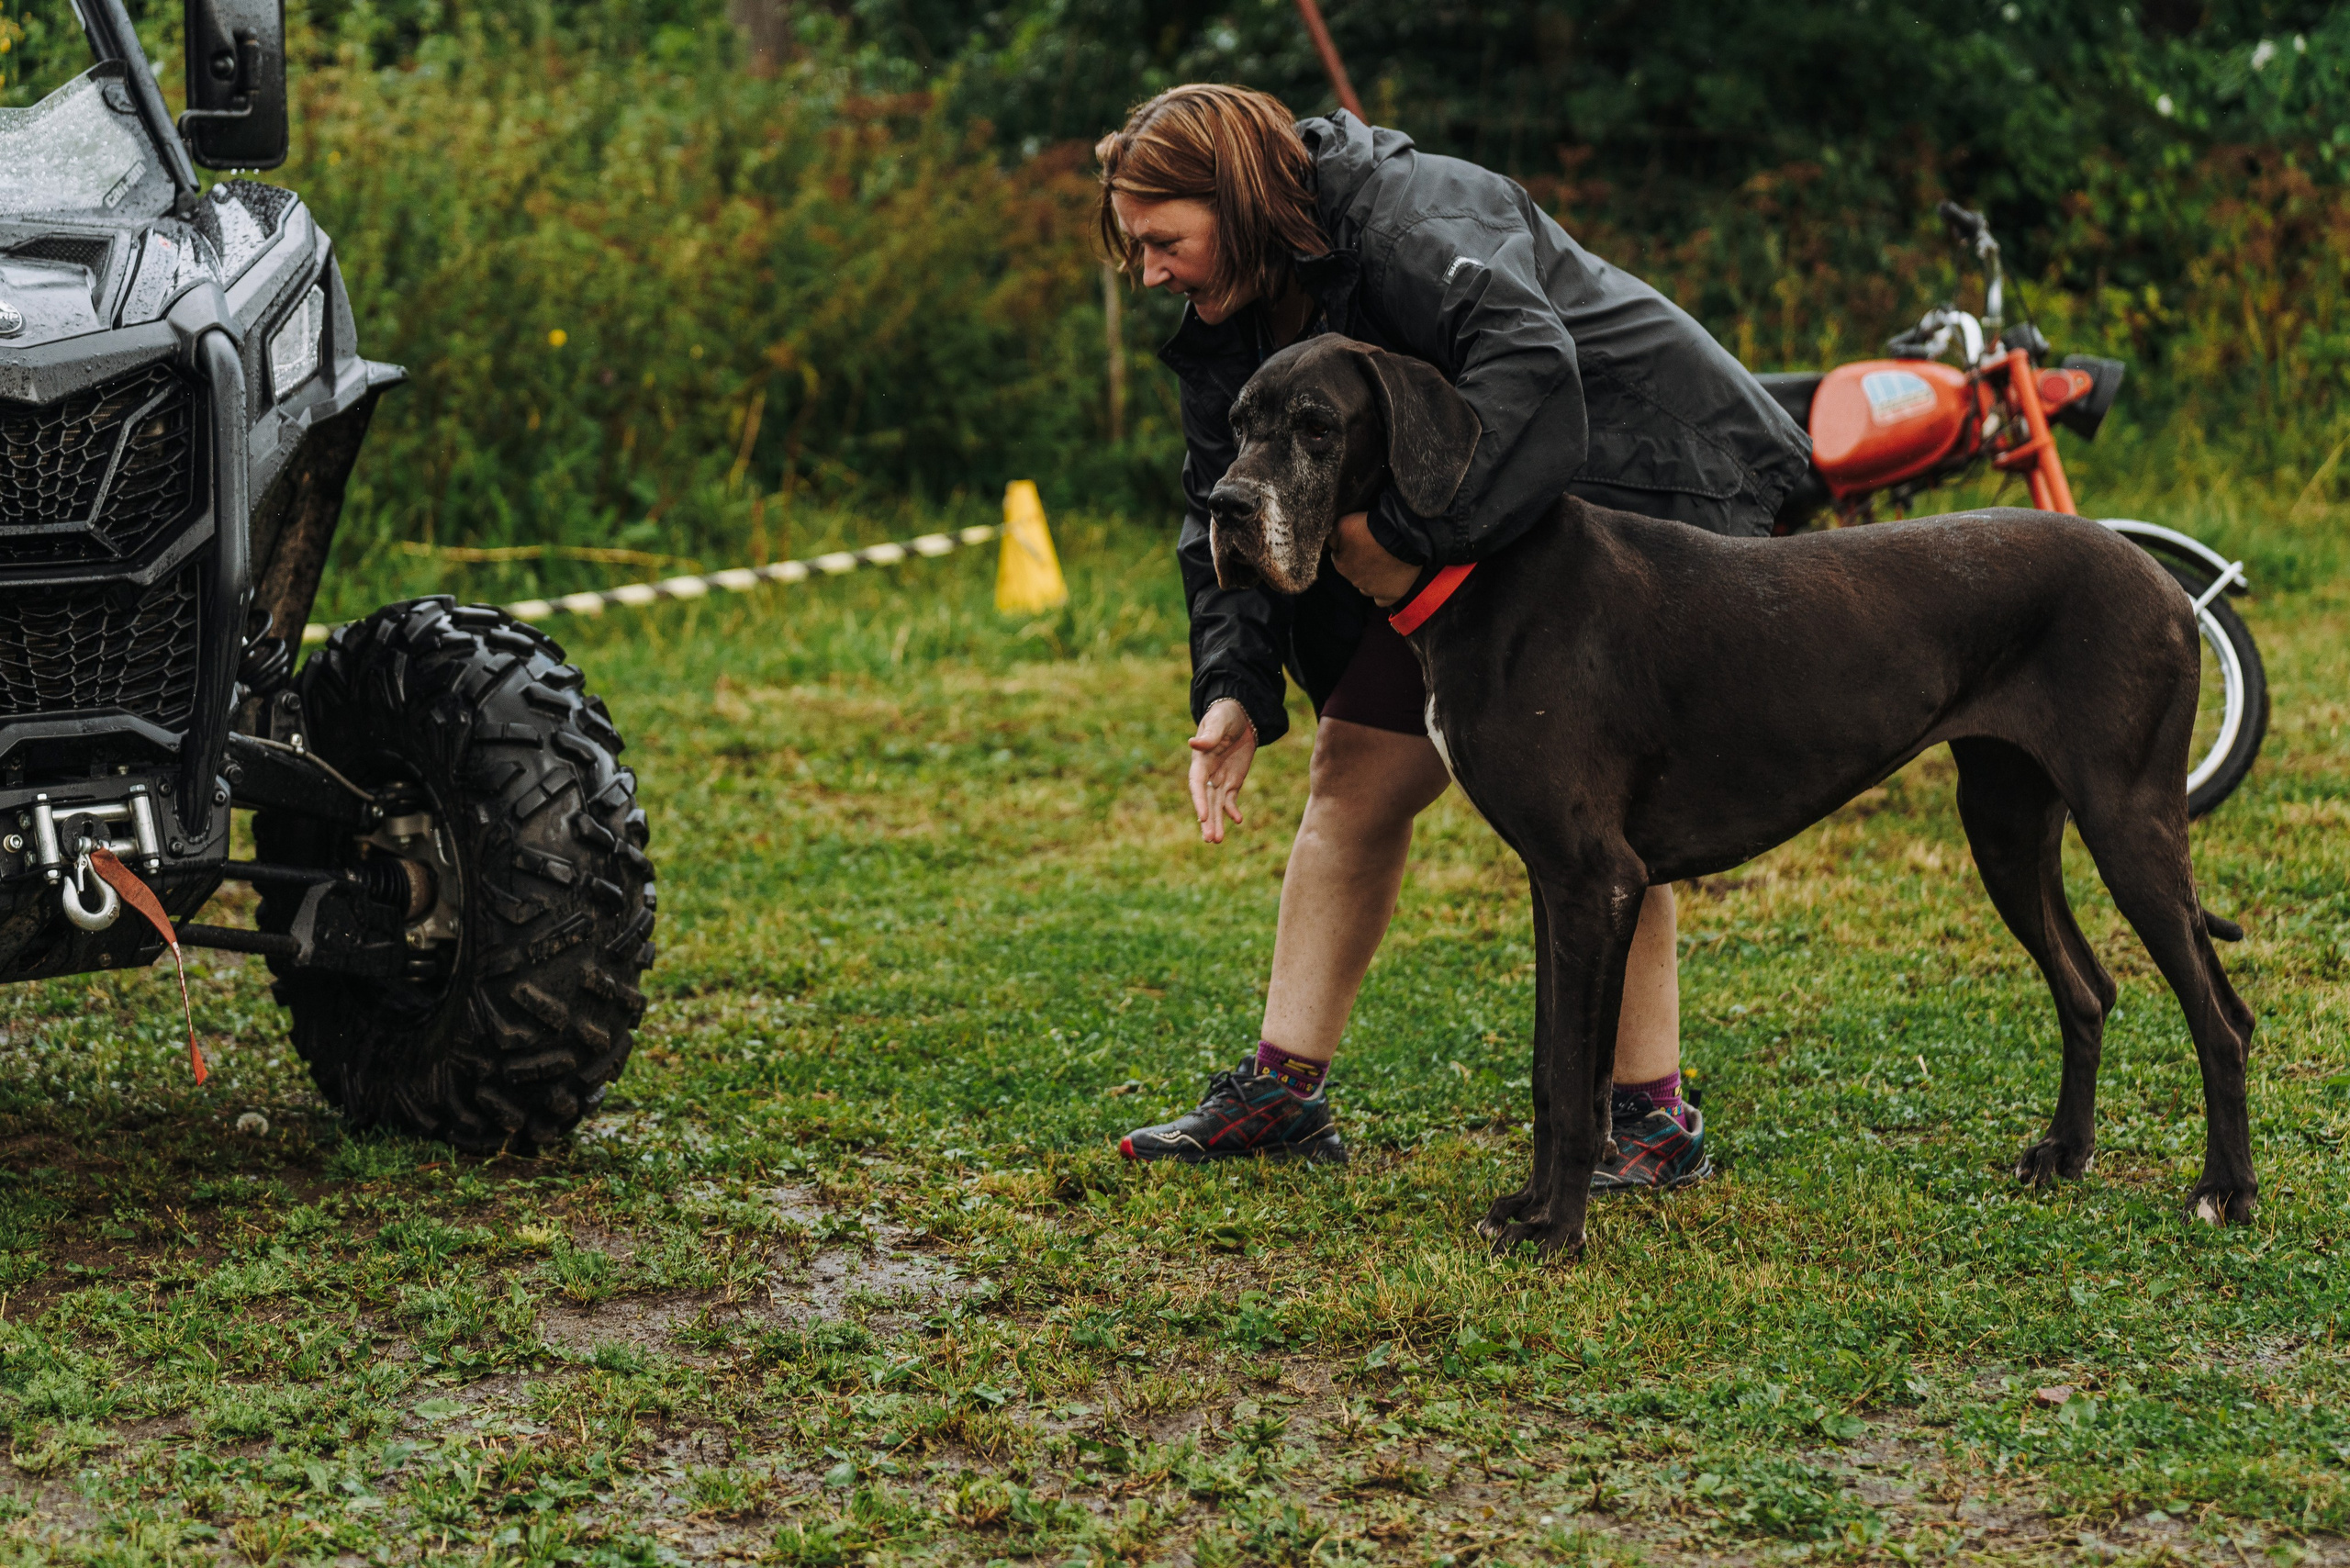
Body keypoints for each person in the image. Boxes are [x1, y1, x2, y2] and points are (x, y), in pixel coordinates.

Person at [1098, 85, 1811, 1186]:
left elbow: (1532, 382)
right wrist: (1232, 684)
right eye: (1136, 248)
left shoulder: (1411, 220)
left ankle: (1653, 1121)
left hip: (1645, 470)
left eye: (1162, 241)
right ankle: (1283, 1095)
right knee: (1354, 770)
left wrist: (1393, 540)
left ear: (1235, 201)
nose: (1149, 272)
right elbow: (1223, 504)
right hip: (1469, 518)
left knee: (1599, 796)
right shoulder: (1229, 311)